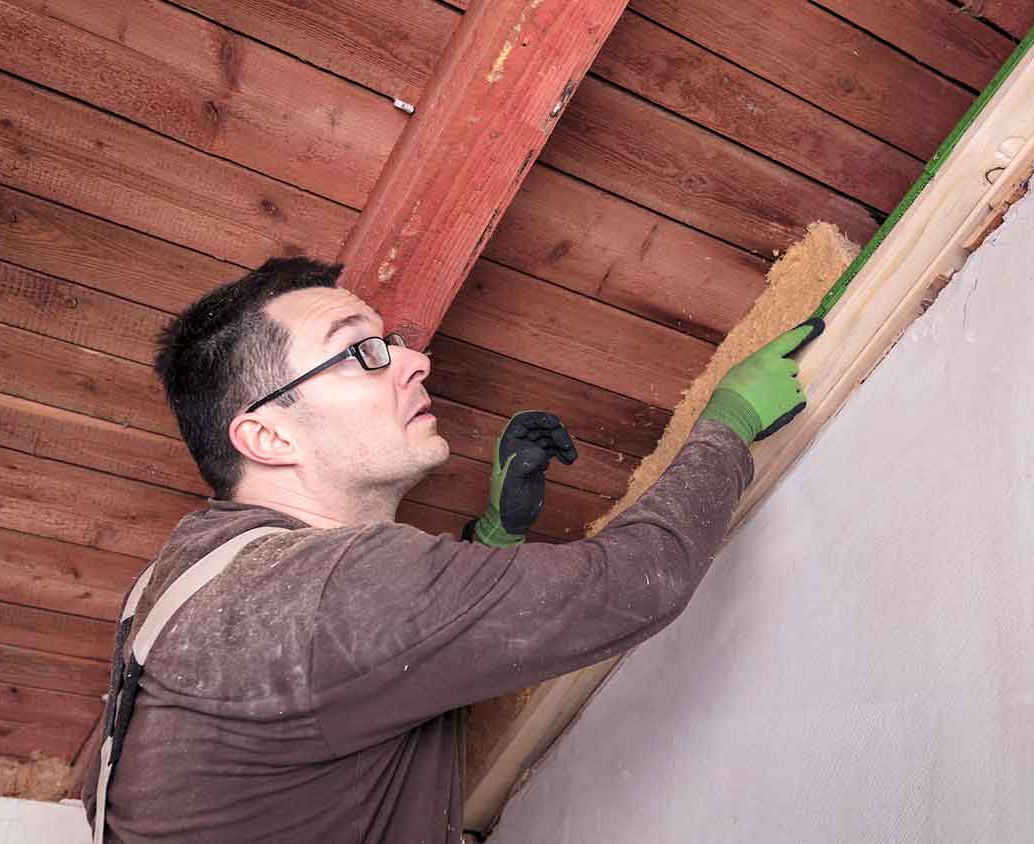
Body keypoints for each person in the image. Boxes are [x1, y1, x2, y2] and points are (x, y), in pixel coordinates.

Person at [80, 256, 821, 842]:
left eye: (392, 341)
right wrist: (727, 425)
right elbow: (633, 584)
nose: (415, 361)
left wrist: (492, 538)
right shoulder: (324, 591)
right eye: (361, 352)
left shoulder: (190, 583)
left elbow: (357, 676)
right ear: (267, 436)